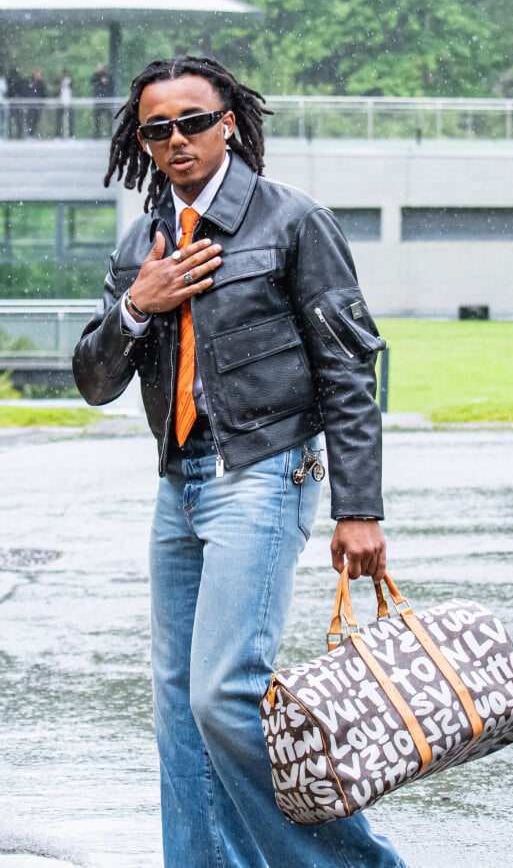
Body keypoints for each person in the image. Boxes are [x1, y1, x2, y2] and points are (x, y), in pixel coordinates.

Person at [73, 56, 405, 868]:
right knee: (179, 710)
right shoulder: (144, 242)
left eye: (193, 121)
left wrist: (358, 509)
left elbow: (349, 372)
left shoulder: (292, 220)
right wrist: (135, 306)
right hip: (176, 486)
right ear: (142, 141)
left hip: (262, 472)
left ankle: (356, 865)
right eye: (158, 128)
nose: (177, 139)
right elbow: (93, 379)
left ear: (229, 123)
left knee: (224, 696)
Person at [90, 62, 112, 138]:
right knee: (97, 119)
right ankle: (96, 135)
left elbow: (111, 85)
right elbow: (93, 83)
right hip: (98, 100)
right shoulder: (95, 77)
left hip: (106, 100)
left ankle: (110, 134)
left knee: (109, 118)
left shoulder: (108, 76)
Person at [55, 70, 73, 138]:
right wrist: (60, 85)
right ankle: (58, 135)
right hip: (60, 103)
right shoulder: (58, 81)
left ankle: (71, 135)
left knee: (70, 121)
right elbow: (55, 92)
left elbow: (73, 88)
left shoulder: (70, 82)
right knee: (58, 121)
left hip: (69, 103)